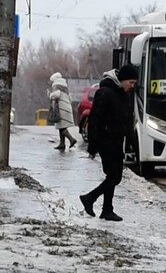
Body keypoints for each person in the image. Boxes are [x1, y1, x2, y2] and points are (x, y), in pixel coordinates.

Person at [79, 64, 138, 222]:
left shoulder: (124, 95)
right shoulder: (104, 93)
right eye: (131, 82)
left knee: (114, 176)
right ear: (123, 79)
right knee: (113, 176)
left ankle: (104, 208)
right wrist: (93, 146)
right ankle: (92, 200)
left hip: (117, 141)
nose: (132, 86)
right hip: (106, 142)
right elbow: (95, 121)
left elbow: (127, 123)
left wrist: (134, 144)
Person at [49, 77, 78, 150]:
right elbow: (71, 100)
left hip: (62, 111)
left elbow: (53, 96)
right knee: (61, 127)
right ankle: (62, 144)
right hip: (67, 110)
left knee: (62, 128)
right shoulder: (66, 93)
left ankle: (72, 139)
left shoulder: (58, 92)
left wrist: (49, 94)